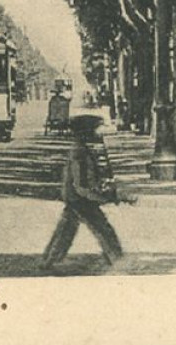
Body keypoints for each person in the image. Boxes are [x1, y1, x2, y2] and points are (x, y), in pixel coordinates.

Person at [40, 114, 127, 269]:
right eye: (94, 129)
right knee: (103, 228)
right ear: (86, 132)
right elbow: (81, 184)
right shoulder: (79, 152)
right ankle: (118, 260)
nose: (97, 133)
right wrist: (100, 197)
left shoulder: (82, 148)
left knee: (66, 231)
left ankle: (49, 261)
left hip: (75, 197)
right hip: (80, 198)